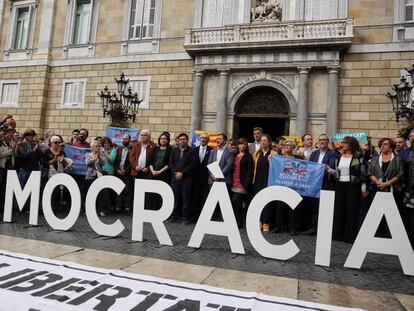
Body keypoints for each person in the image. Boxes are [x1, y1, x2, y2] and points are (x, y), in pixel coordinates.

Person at [366, 138, 404, 237]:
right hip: (376, 189)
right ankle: (377, 235)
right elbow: (370, 172)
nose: (382, 146)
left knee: (391, 215)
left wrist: (387, 184)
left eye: (385, 144)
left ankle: (390, 235)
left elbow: (400, 174)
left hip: (392, 190)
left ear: (391, 147)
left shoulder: (397, 159)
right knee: (376, 213)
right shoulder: (374, 159)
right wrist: (378, 182)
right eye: (381, 144)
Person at [333, 136, 365, 243]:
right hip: (340, 185)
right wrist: (330, 170)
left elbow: (363, 172)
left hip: (353, 185)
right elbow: (338, 171)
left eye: (345, 143)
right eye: (342, 142)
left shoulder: (358, 156)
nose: (342, 144)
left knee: (351, 210)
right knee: (339, 209)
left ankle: (350, 236)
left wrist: (364, 188)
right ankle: (339, 234)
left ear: (351, 144)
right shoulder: (338, 156)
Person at [304, 134, 337, 235]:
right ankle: (313, 228)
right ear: (318, 142)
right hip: (314, 184)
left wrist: (327, 168)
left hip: (326, 183)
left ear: (327, 142)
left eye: (324, 140)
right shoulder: (314, 153)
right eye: (320, 140)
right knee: (314, 206)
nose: (322, 142)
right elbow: (309, 166)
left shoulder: (333, 153)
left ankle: (323, 229)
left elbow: (333, 169)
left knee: (325, 207)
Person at [252, 134, 277, 232]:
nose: (262, 142)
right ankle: (259, 221)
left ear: (269, 142)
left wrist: (272, 161)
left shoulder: (274, 153)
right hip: (257, 180)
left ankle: (266, 223)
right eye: (261, 140)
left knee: (267, 203)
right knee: (258, 202)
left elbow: (277, 167)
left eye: (265, 140)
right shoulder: (256, 154)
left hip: (268, 181)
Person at [169, 133, 196, 223]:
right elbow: (171, 163)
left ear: (187, 140)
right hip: (175, 178)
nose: (182, 141)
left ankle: (185, 217)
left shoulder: (192, 151)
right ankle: (174, 216)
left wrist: (182, 173)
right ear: (178, 141)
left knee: (186, 198)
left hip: (187, 178)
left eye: (184, 139)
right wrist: (175, 173)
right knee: (175, 198)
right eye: (180, 139)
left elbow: (192, 165)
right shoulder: (174, 150)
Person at [42, 135, 72, 210]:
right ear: (51, 143)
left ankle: (55, 206)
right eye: (56, 142)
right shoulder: (47, 152)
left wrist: (63, 160)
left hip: (59, 173)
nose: (58, 144)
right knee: (50, 190)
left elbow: (65, 165)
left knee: (58, 190)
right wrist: (53, 161)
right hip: (49, 174)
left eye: (59, 142)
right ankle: (47, 206)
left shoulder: (62, 152)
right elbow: (44, 163)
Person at [231, 138, 253, 228]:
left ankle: (240, 222)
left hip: (242, 183)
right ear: (238, 145)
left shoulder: (248, 156)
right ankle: (237, 220)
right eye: (240, 144)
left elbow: (250, 170)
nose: (242, 146)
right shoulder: (235, 155)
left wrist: (246, 182)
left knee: (237, 200)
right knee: (236, 203)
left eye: (244, 144)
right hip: (233, 181)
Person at [191, 132, 212, 222]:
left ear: (208, 140)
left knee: (205, 198)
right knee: (194, 198)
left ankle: (203, 219)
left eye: (205, 138)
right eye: (202, 138)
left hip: (206, 179)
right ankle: (194, 218)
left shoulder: (212, 150)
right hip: (195, 179)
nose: (203, 139)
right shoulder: (194, 150)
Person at [149, 132, 173, 210]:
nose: (163, 140)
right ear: (159, 140)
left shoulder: (171, 150)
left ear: (167, 140)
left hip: (164, 175)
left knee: (162, 193)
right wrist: (153, 171)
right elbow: (151, 162)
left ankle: (162, 209)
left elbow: (169, 163)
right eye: (161, 138)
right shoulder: (155, 149)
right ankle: (153, 208)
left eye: (165, 139)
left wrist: (159, 171)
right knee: (153, 192)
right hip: (153, 174)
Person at [84, 140, 105, 216]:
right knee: (90, 193)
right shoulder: (88, 155)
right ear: (92, 147)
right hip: (90, 176)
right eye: (96, 146)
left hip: (99, 175)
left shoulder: (101, 154)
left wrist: (99, 157)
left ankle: (100, 210)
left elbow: (103, 163)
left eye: (98, 146)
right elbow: (87, 163)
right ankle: (89, 210)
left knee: (100, 193)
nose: (98, 147)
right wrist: (95, 158)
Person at [115, 134, 133, 213]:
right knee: (119, 190)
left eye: (126, 139)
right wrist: (117, 170)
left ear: (129, 140)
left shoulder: (132, 149)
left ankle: (127, 207)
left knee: (127, 190)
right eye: (123, 139)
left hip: (127, 173)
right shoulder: (119, 149)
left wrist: (126, 171)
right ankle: (118, 206)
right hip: (119, 173)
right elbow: (115, 161)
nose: (124, 140)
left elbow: (132, 162)